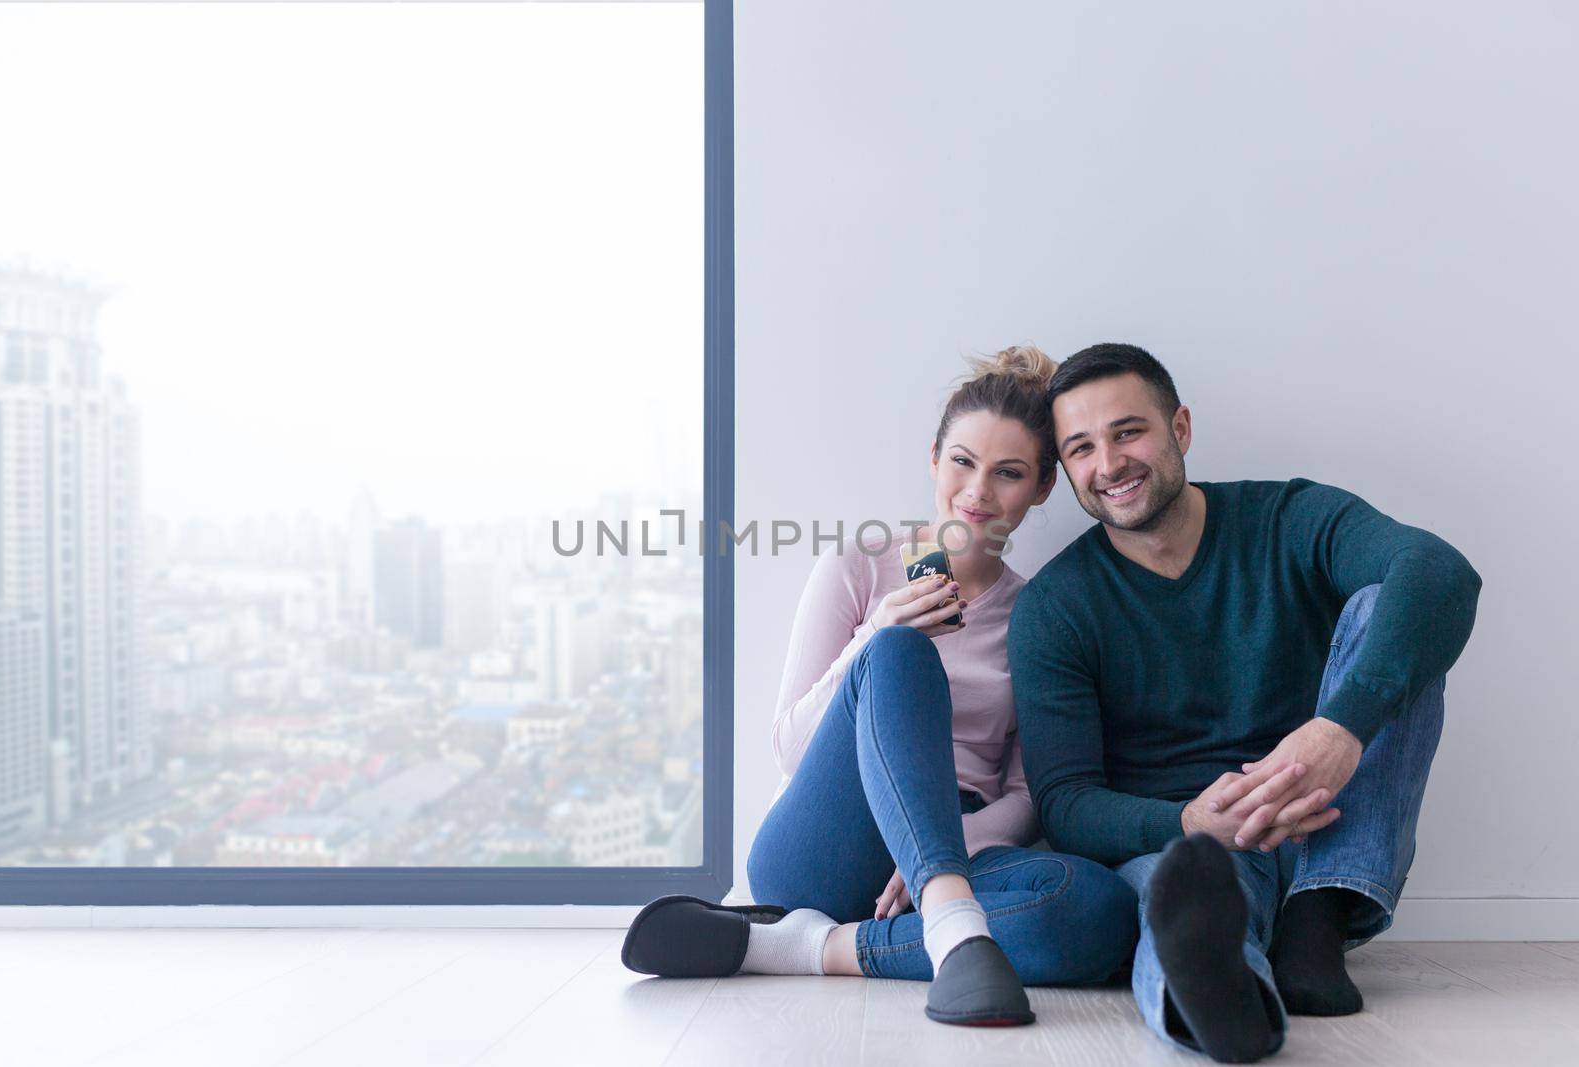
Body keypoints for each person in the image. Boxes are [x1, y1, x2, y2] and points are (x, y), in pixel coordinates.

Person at [622, 345, 1139, 1026]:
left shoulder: (1038, 614)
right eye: (962, 462)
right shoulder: (858, 568)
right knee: (900, 652)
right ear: (934, 459)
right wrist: (875, 636)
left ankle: (803, 947)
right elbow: (789, 750)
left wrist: (937, 852)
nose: (978, 491)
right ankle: (953, 926)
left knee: (1099, 912)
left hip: (953, 848)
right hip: (826, 839)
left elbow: (1024, 795)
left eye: (1008, 473)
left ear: (1041, 487)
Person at [1009, 342, 1481, 1062]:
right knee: (1189, 909)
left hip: (1332, 818)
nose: (1109, 464)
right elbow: (1066, 801)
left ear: (1181, 428)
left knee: (1396, 609)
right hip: (1194, 840)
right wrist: (1189, 818)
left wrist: (1338, 731)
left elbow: (1442, 572)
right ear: (1067, 468)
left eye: (1128, 430)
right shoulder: (1056, 606)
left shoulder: (1287, 516)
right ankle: (1232, 1001)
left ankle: (1316, 918)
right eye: (1081, 448)